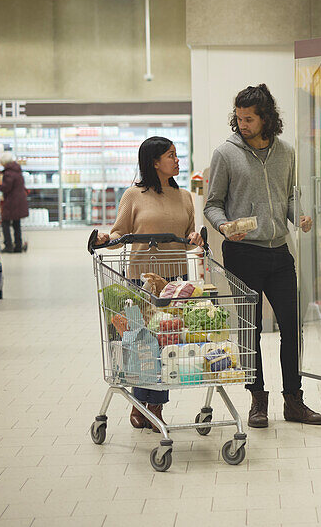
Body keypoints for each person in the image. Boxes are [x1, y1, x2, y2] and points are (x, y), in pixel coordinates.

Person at [204, 84, 321, 428]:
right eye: (239, 118)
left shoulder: (286, 152)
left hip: (279, 252)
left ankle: (294, 401)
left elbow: (288, 196)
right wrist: (225, 225)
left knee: (292, 326)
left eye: (249, 119)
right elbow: (212, 205)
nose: (242, 124)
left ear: (266, 119)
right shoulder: (225, 154)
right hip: (243, 253)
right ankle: (257, 400)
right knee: (250, 328)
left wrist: (298, 214)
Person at [95, 136, 202, 430]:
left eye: (177, 155)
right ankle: (145, 405)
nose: (177, 160)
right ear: (154, 162)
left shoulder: (184, 197)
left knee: (167, 342)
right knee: (145, 345)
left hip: (175, 282)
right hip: (141, 281)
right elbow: (120, 235)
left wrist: (196, 239)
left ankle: (152, 406)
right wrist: (106, 239)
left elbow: (191, 238)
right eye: (171, 156)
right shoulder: (134, 195)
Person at [0, 152, 28, 253]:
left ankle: (8, 245)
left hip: (11, 201)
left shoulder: (9, 173)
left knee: (5, 222)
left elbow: (6, 188)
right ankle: (18, 246)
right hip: (19, 200)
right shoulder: (17, 170)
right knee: (16, 223)